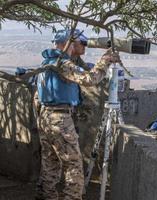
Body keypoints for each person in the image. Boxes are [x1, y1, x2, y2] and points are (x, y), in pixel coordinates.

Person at [36, 29, 120, 200]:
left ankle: (46, 196)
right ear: (70, 43)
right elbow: (90, 80)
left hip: (46, 116)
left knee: (50, 164)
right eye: (80, 42)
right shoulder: (63, 64)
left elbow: (37, 98)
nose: (83, 45)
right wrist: (104, 61)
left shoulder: (48, 62)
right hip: (59, 118)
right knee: (73, 167)